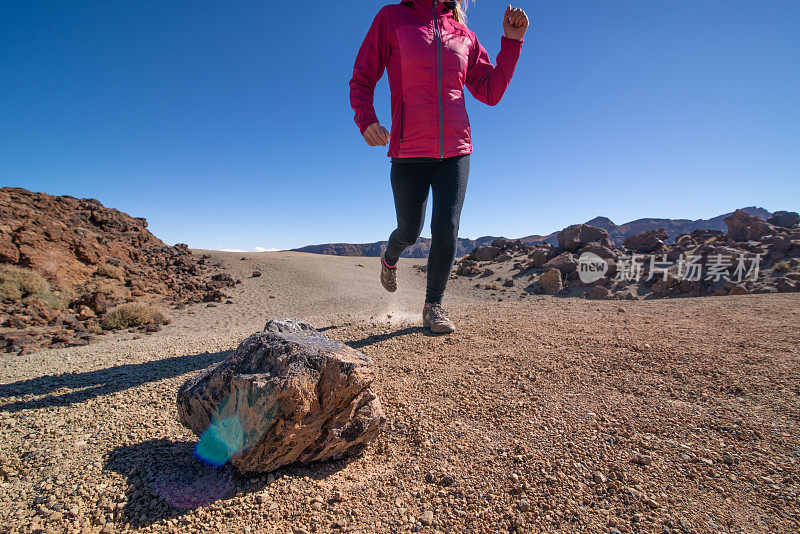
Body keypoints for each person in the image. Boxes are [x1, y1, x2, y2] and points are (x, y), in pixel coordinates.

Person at [349, 0, 529, 333]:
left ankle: (434, 307)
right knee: (409, 230)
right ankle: (390, 258)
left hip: (456, 150)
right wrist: (366, 120)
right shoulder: (392, 18)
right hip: (408, 150)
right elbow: (362, 77)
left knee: (446, 228)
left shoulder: (464, 35)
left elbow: (490, 91)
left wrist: (512, 42)